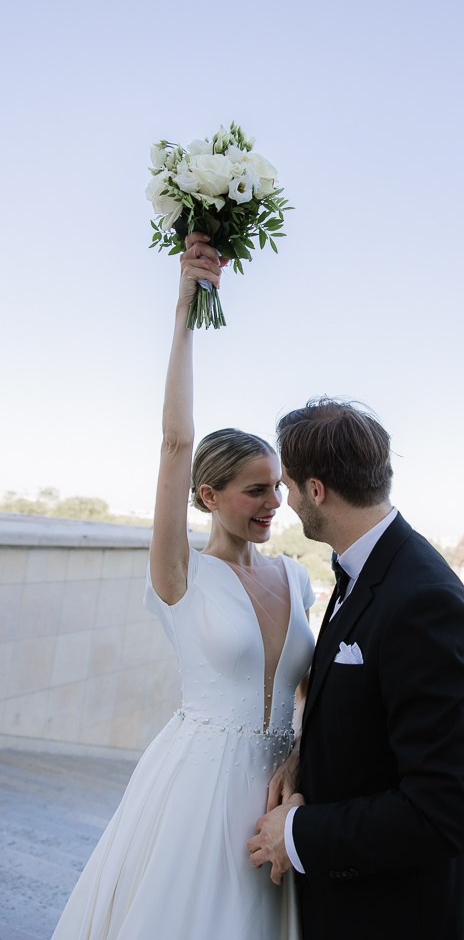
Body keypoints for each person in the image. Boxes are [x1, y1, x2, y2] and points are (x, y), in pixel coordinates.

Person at [52, 233, 315, 940]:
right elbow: (173, 440)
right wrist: (183, 311)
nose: (272, 504)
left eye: (277, 488)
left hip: (274, 800)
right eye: (255, 491)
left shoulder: (297, 579)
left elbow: (307, 690)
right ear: (207, 494)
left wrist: (297, 760)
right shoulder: (180, 576)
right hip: (195, 789)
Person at [248, 400, 464, 940]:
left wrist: (297, 834)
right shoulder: (368, 566)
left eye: (290, 486)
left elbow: (442, 810)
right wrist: (303, 760)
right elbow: (369, 716)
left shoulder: (422, 601)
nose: (286, 500)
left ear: (316, 491)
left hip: (396, 913)